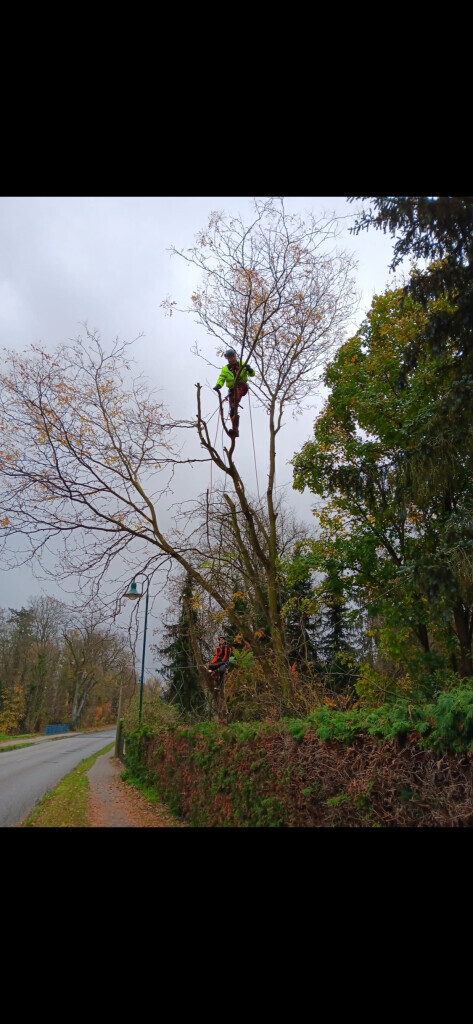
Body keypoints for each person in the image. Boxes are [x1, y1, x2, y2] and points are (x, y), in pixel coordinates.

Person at [213, 348, 255, 435]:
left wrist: (249, 369)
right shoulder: (225, 369)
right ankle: (235, 430)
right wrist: (218, 385)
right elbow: (222, 378)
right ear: (227, 359)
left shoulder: (242, 364)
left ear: (235, 356)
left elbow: (252, 374)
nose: (232, 359)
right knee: (232, 410)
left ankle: (235, 401)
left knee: (237, 392)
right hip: (232, 390)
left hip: (242, 386)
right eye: (230, 358)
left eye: (233, 357)